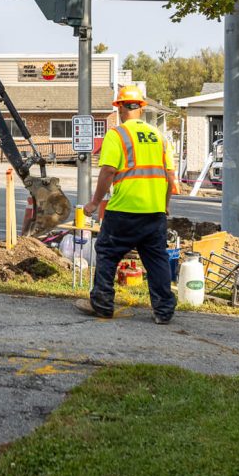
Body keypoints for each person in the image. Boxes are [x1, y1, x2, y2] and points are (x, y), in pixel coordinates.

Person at [81, 85, 177, 324]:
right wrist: (164, 206)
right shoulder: (160, 138)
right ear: (141, 108)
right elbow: (170, 177)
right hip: (154, 213)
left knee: (107, 253)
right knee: (157, 260)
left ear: (121, 107)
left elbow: (108, 171)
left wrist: (94, 202)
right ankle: (163, 311)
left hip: (124, 211)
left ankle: (103, 304)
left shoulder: (117, 135)